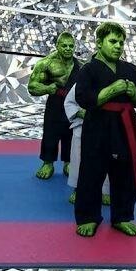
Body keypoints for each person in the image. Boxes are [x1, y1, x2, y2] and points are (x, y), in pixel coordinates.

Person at [74, 22, 136, 237]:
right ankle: (88, 217)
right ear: (99, 43)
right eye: (113, 41)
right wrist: (112, 90)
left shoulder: (130, 69)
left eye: (121, 42)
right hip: (98, 127)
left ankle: (122, 216)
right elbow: (84, 99)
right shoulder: (88, 70)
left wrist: (134, 93)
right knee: (92, 172)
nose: (118, 46)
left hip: (125, 127)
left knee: (125, 173)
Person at [28, 32, 82, 180]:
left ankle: (69, 162)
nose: (68, 48)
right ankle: (48, 163)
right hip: (55, 102)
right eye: (64, 45)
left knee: (72, 132)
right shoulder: (46, 63)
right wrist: (47, 88)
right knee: (51, 132)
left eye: (71, 46)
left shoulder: (81, 66)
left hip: (73, 103)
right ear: (57, 46)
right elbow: (32, 86)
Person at [64, 81, 110, 205]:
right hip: (83, 126)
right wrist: (80, 113)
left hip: (106, 127)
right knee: (78, 160)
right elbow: (69, 102)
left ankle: (105, 191)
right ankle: (78, 189)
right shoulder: (82, 82)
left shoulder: (112, 81)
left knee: (106, 159)